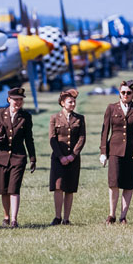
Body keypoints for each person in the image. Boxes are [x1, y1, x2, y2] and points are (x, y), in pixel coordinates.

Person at [0, 87, 36, 228]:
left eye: (21, 100)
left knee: (14, 188)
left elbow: (29, 139)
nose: (18, 102)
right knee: (4, 189)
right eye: (16, 100)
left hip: (18, 157)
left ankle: (14, 220)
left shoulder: (26, 116)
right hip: (1, 157)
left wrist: (33, 158)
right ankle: (6, 217)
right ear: (9, 100)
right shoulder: (0, 113)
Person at [99, 80, 133, 224]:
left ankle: (123, 216)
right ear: (119, 93)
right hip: (115, 150)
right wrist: (103, 152)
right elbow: (105, 132)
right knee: (113, 183)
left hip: (131, 151)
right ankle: (111, 214)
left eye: (129, 93)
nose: (126, 95)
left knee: (128, 184)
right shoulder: (111, 108)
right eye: (123, 92)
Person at [49, 89, 86, 225]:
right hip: (58, 158)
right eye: (70, 102)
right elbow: (52, 138)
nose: (73, 104)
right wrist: (61, 156)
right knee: (58, 187)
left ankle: (66, 218)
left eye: (74, 101)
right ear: (62, 103)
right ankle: (57, 217)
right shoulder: (54, 118)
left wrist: (73, 155)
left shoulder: (79, 118)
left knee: (70, 188)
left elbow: (82, 138)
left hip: (73, 159)